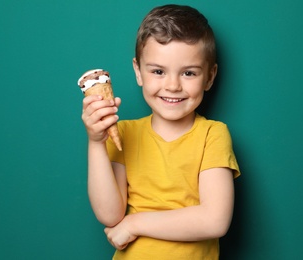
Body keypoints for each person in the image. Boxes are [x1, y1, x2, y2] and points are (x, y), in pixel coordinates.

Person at [81, 4, 240, 259]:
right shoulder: (124, 133)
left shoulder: (213, 134)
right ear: (138, 71)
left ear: (209, 77)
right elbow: (110, 215)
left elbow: (215, 220)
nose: (173, 85)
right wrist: (96, 143)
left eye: (189, 73)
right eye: (158, 71)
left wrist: (134, 224)